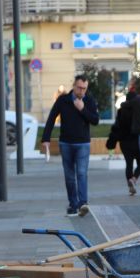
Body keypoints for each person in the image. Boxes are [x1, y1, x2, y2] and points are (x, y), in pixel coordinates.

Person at [41, 75, 99, 216]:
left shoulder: (89, 101)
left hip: (83, 143)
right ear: (74, 86)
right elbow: (51, 118)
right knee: (69, 176)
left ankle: (83, 204)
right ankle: (73, 204)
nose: (81, 91)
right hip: (66, 143)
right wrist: (45, 138)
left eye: (84, 88)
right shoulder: (63, 100)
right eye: (79, 88)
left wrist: (83, 109)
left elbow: (95, 120)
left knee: (81, 173)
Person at [106, 90, 140, 196]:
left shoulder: (121, 111)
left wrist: (112, 141)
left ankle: (130, 184)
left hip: (125, 142)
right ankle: (134, 179)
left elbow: (116, 127)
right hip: (137, 141)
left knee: (129, 164)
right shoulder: (138, 110)